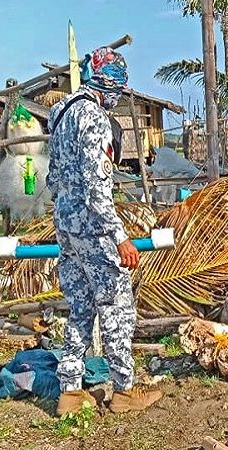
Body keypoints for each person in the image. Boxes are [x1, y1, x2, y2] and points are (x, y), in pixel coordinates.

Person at [47, 47, 161, 416]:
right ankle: (125, 391)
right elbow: (98, 188)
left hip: (66, 226)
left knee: (79, 306)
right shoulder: (93, 118)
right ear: (109, 83)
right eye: (120, 87)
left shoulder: (61, 113)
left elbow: (52, 177)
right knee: (116, 307)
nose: (119, 96)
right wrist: (120, 237)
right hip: (94, 230)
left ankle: (69, 391)